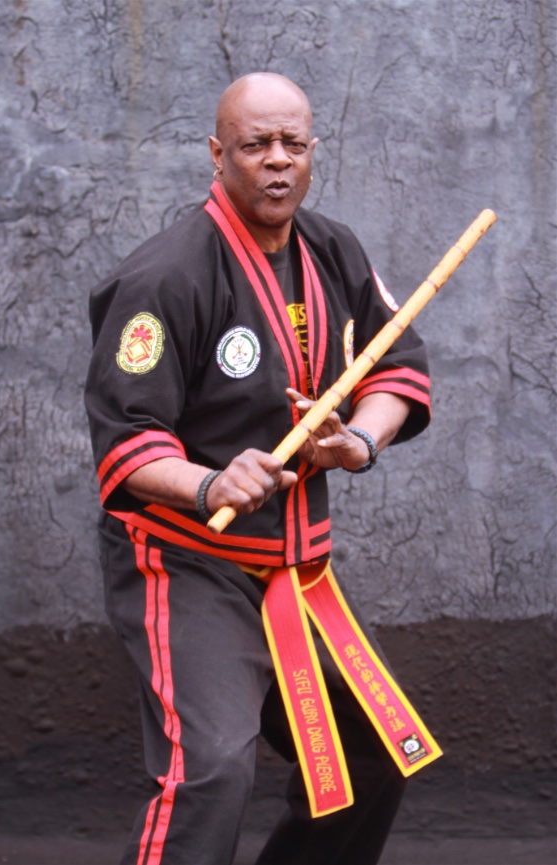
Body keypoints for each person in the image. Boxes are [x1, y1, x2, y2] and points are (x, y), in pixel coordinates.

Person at [85, 72, 435, 865]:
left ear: (313, 151)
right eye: (255, 145)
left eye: (293, 144)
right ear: (218, 155)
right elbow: (125, 439)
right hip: (187, 563)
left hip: (296, 571)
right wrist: (209, 483)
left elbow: (395, 368)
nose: (277, 161)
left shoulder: (332, 248)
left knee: (379, 752)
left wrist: (360, 442)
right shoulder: (165, 276)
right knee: (209, 771)